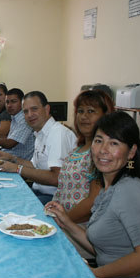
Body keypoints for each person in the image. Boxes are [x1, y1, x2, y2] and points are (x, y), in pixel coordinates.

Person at [48, 112, 140, 278]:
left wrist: (95, 273)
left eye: (114, 143)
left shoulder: (130, 190)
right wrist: (66, 222)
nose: (103, 150)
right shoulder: (108, 188)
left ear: (131, 152)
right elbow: (103, 249)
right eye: (99, 140)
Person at [0, 91, 76, 204]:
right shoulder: (40, 133)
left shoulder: (58, 134)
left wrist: (17, 169)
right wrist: (11, 158)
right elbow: (34, 165)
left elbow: (57, 178)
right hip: (38, 190)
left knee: (9, 204)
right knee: (1, 194)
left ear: (47, 109)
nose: (29, 115)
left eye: (34, 109)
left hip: (55, 198)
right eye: (25, 111)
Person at [46, 90, 115, 223]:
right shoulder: (78, 149)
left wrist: (63, 222)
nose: (84, 116)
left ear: (105, 116)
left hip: (80, 226)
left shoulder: (102, 154)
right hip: (61, 220)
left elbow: (93, 202)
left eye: (91, 111)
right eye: (80, 111)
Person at [0, 88, 35, 160]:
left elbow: (9, 144)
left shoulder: (24, 120)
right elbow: (8, 139)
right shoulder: (14, 117)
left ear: (22, 103)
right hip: (7, 155)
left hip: (18, 161)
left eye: (13, 102)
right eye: (7, 102)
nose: (9, 105)